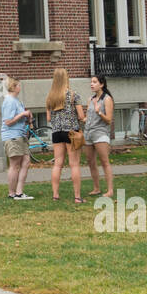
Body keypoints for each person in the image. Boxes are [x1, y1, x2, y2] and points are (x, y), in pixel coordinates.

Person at [45, 68, 86, 201]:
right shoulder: (73, 95)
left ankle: (55, 195)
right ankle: (77, 197)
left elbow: (48, 118)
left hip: (56, 132)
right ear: (66, 78)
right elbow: (81, 116)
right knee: (74, 164)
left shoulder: (50, 97)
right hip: (71, 132)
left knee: (57, 164)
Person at [0, 76, 35, 200]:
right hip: (12, 136)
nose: (20, 87)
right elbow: (8, 122)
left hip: (21, 135)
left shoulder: (17, 101)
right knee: (14, 165)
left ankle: (19, 192)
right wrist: (22, 114)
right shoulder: (9, 101)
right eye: (19, 85)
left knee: (26, 162)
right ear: (14, 87)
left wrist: (27, 117)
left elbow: (18, 118)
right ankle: (12, 193)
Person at [82, 75, 115, 198]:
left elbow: (109, 120)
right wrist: (83, 119)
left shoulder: (107, 99)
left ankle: (110, 190)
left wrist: (99, 112)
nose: (91, 84)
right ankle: (96, 188)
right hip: (88, 133)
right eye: (91, 82)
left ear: (101, 84)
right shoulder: (90, 99)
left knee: (104, 162)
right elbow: (88, 117)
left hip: (100, 133)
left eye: (94, 82)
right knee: (91, 162)